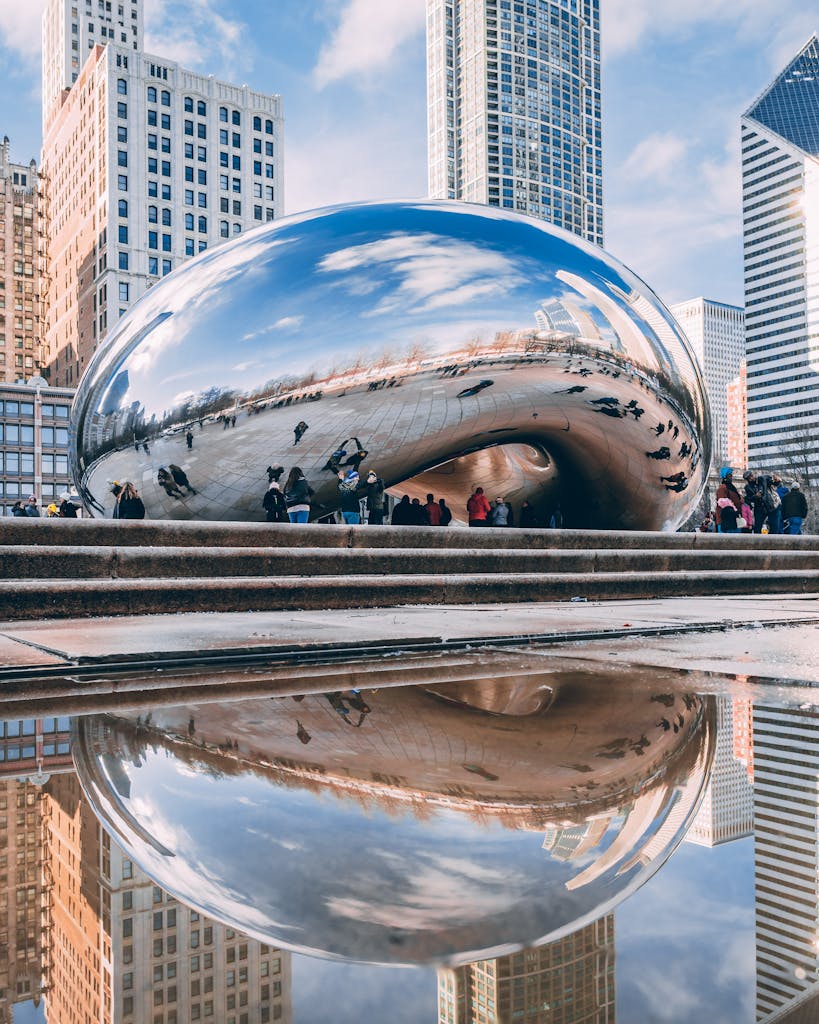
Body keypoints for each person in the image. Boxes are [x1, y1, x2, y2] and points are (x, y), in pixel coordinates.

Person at [715, 468, 743, 533]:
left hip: (733, 519)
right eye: (729, 475)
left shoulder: (731, 487)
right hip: (725, 521)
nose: (731, 477)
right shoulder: (723, 488)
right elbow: (722, 502)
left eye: (731, 475)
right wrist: (734, 509)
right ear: (725, 476)